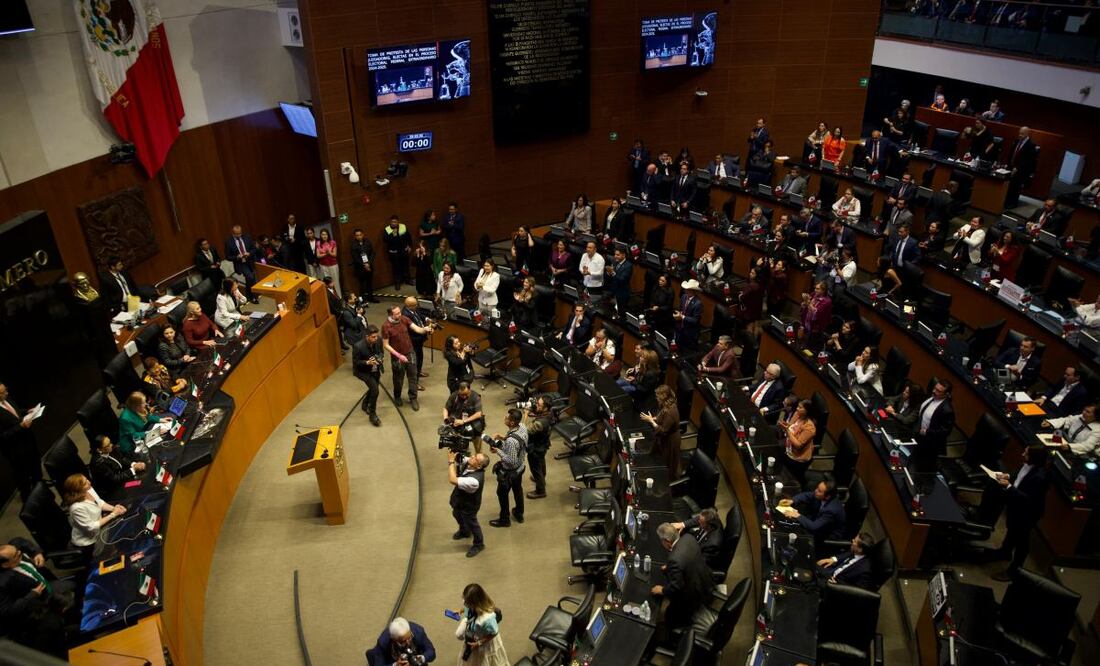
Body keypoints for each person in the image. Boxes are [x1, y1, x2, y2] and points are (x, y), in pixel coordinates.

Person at [991, 445, 1049, 581]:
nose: (1023, 454)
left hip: (1028, 513)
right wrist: (1008, 476)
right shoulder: (1029, 465)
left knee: (1021, 541)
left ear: (1034, 458)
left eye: (1027, 454)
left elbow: (1027, 499)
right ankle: (1005, 552)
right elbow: (1020, 475)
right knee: (1011, 530)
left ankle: (1014, 570)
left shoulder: (1039, 478)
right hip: (1016, 506)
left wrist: (1009, 487)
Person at [651, 522, 716, 630]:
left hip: (693, 597)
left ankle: (671, 632)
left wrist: (661, 590)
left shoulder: (674, 559)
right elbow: (686, 558)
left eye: (661, 541)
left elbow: (676, 587)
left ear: (667, 541)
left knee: (669, 614)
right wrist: (670, 568)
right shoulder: (688, 537)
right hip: (705, 581)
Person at [61, 474, 125, 560]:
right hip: (89, 543)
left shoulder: (89, 489)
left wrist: (114, 509)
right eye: (85, 483)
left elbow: (100, 503)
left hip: (100, 529)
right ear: (78, 489)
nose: (89, 482)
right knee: (117, 553)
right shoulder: (76, 507)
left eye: (87, 479)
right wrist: (113, 514)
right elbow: (91, 527)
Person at [382, 305, 431, 411]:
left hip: (410, 353)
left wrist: (425, 329)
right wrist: (399, 355)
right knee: (398, 379)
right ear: (391, 314)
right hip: (397, 357)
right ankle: (397, 396)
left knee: (413, 376)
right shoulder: (386, 326)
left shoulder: (404, 319)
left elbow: (417, 329)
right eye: (397, 314)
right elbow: (386, 345)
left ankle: (413, 398)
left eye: (400, 312)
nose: (400, 315)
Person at [779, 479, 846, 555]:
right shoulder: (821, 496)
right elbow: (807, 495)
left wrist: (797, 515)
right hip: (816, 519)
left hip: (826, 534)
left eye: (819, 491)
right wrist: (793, 500)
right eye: (817, 488)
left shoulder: (831, 510)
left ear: (827, 497)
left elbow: (814, 526)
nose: (815, 491)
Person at [0, 383, 42, 502]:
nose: (6, 393)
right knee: (22, 475)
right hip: (15, 450)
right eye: (2, 393)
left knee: (35, 466)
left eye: (5, 390)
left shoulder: (7, 399)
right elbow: (2, 436)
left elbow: (15, 413)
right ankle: (29, 499)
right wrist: (21, 426)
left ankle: (39, 488)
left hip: (27, 441)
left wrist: (27, 411)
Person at [486, 409, 526, 528]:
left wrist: (497, 451)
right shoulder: (522, 426)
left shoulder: (511, 441)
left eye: (507, 418)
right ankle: (519, 513)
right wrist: (502, 438)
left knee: (502, 494)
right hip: (521, 467)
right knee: (518, 490)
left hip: (510, 472)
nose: (505, 418)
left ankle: (504, 519)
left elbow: (511, 461)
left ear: (512, 423)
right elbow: (518, 444)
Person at [448, 451, 489, 558]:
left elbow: (452, 480)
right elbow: (461, 457)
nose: (471, 457)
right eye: (474, 455)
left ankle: (479, 544)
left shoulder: (474, 480)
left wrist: (451, 462)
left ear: (479, 465)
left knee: (472, 523)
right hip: (460, 501)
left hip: (469, 506)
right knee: (456, 514)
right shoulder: (472, 463)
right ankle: (464, 531)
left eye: (475, 458)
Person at [453, 583, 507, 664]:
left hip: (484, 642)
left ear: (475, 603)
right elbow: (466, 608)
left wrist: (479, 643)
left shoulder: (487, 619)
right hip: (474, 634)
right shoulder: (470, 604)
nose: (465, 604)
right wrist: (460, 611)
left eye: (467, 603)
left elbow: (494, 633)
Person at [88, 434, 145, 504]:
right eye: (108, 445)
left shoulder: (111, 449)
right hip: (112, 490)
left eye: (110, 442)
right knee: (140, 489)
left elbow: (121, 459)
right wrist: (133, 469)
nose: (111, 445)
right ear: (99, 450)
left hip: (121, 478)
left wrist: (134, 464)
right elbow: (114, 479)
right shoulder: (99, 463)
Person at [641, 385, 681, 478]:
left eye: (658, 397)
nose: (657, 399)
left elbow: (663, 431)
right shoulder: (667, 405)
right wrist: (652, 418)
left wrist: (651, 421)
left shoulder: (670, 411)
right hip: (666, 438)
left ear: (663, 397)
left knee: (667, 462)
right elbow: (661, 417)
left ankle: (665, 480)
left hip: (670, 441)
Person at [366, 616, 436, 666]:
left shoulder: (418, 631)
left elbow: (431, 652)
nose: (408, 642)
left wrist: (421, 658)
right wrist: (395, 665)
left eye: (410, 637)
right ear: (394, 639)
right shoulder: (383, 642)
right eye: (403, 641)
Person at [916, 381, 955, 467]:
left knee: (921, 467)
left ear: (946, 394)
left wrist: (927, 432)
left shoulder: (947, 410)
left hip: (930, 445)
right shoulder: (932, 398)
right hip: (920, 437)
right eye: (935, 388)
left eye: (938, 391)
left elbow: (945, 432)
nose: (934, 391)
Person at [779, 399, 817, 485]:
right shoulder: (797, 415)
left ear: (807, 411)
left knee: (787, 479)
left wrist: (787, 430)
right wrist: (785, 425)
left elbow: (798, 445)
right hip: (788, 447)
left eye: (800, 407)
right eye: (798, 406)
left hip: (796, 458)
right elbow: (789, 426)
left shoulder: (810, 428)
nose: (797, 409)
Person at [352, 325, 384, 427]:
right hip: (363, 371)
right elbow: (356, 362)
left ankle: (365, 404)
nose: (376, 339)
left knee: (373, 387)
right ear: (367, 336)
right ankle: (372, 414)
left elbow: (381, 352)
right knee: (375, 390)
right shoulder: (358, 346)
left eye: (376, 336)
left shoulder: (378, 340)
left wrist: (380, 358)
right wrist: (367, 362)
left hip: (375, 369)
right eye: (373, 337)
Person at [444, 382, 486, 451]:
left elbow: (479, 413)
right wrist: (446, 418)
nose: (464, 396)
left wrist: (463, 421)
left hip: (474, 426)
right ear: (459, 391)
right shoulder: (454, 395)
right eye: (461, 395)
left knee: (478, 448)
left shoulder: (475, 397)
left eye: (466, 394)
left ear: (470, 390)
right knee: (460, 449)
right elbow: (446, 408)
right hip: (458, 426)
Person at [118, 391, 163, 455]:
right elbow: (134, 435)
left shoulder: (138, 408)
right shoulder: (125, 418)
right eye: (143, 403)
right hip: (131, 445)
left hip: (142, 433)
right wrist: (153, 432)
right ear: (136, 405)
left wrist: (160, 419)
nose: (146, 404)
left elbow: (147, 417)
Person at [524, 397, 552, 500]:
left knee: (535, 468)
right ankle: (542, 479)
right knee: (541, 462)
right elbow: (537, 411)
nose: (536, 405)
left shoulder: (540, 423)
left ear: (545, 408)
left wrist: (526, 414)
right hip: (543, 444)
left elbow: (525, 430)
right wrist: (532, 406)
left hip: (536, 447)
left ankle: (540, 491)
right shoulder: (549, 412)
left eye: (539, 405)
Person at [1005, 127, 1039, 207]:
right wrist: (1008, 164)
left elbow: (1028, 160)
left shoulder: (1031, 145)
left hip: (1021, 170)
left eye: (1022, 134)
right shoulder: (1016, 141)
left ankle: (1012, 203)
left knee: (1015, 187)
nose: (1020, 135)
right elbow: (1012, 153)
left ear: (1027, 134)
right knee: (1009, 185)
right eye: (1019, 133)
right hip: (1011, 167)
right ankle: (1006, 201)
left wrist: (1018, 167)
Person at [224, 225, 258, 301]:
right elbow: (228, 257)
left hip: (250, 261)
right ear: (233, 233)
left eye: (240, 233)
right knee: (250, 277)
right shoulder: (228, 242)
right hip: (240, 263)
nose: (239, 235)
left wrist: (249, 253)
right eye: (237, 234)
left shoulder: (247, 237)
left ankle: (248, 295)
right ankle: (252, 296)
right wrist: (237, 257)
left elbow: (254, 249)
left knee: (251, 279)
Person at [402, 297, 432, 383]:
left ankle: (419, 372)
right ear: (409, 306)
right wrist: (424, 329)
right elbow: (413, 329)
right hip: (413, 341)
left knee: (420, 357)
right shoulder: (405, 315)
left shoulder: (413, 309)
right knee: (415, 361)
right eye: (415, 305)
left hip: (419, 340)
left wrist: (426, 319)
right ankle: (415, 382)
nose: (417, 306)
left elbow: (419, 315)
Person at [799, 282, 833, 348]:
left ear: (823, 290)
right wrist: (804, 303)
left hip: (815, 328)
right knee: (800, 341)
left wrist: (808, 302)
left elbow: (816, 313)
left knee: (808, 347)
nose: (815, 290)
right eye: (815, 288)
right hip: (806, 322)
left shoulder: (827, 301)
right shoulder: (814, 294)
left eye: (817, 289)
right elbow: (806, 305)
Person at [349, 228, 378, 303]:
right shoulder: (353, 245)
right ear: (355, 236)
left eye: (360, 235)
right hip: (360, 268)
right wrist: (364, 265)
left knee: (370, 282)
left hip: (369, 265)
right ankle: (363, 300)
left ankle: (371, 297)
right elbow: (355, 258)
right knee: (362, 284)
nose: (359, 237)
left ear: (363, 235)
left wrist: (369, 263)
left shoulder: (368, 242)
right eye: (357, 235)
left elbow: (372, 253)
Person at [733, 267, 764, 334]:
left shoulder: (752, 286)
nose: (750, 274)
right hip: (754, 312)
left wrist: (741, 295)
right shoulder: (760, 285)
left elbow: (741, 297)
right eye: (750, 272)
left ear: (757, 275)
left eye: (752, 273)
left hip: (746, 312)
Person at [384, 216, 413, 289]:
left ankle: (408, 280)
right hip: (394, 252)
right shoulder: (387, 229)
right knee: (396, 268)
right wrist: (392, 235)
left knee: (406, 266)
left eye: (395, 222)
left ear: (398, 222)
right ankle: (397, 283)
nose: (393, 223)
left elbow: (408, 237)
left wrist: (409, 246)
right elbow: (385, 240)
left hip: (404, 250)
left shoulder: (403, 227)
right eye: (392, 222)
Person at [674, 279, 703, 350]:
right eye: (686, 289)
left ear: (694, 291)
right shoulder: (683, 297)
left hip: (690, 333)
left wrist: (682, 317)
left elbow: (695, 320)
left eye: (688, 290)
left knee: (686, 350)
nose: (686, 291)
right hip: (680, 329)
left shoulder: (698, 304)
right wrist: (678, 314)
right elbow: (681, 310)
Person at [604, 248, 633, 314]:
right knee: (610, 311)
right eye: (615, 254)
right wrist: (608, 273)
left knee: (620, 312)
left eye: (617, 255)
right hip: (613, 290)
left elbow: (622, 280)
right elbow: (609, 276)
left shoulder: (628, 266)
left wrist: (613, 273)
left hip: (622, 293)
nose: (615, 256)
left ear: (623, 255)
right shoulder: (615, 262)